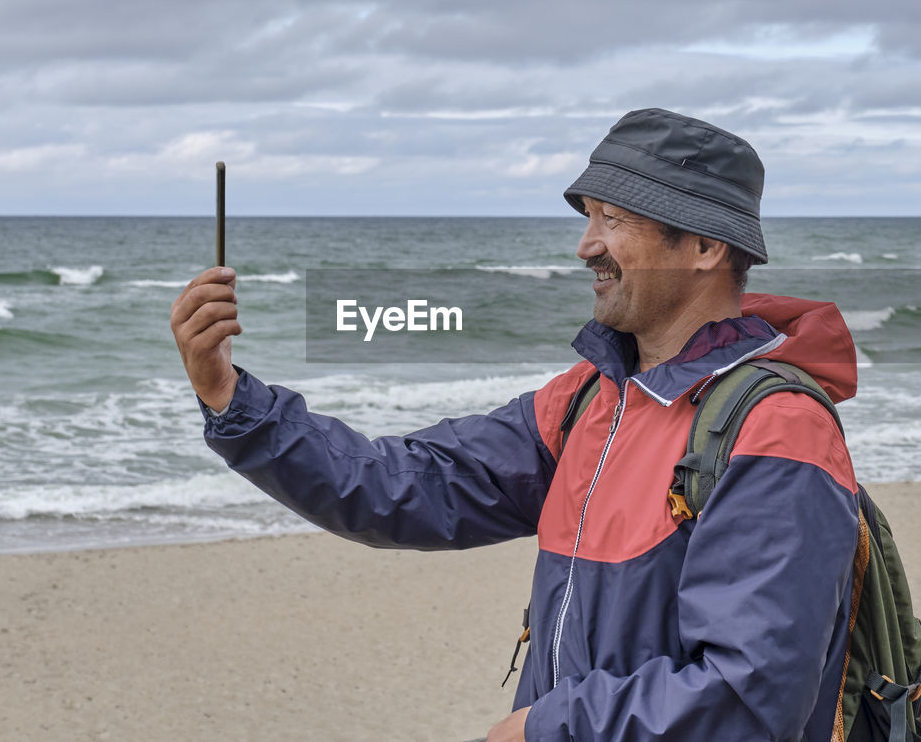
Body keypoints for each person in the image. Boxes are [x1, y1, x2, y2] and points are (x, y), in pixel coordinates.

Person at [170, 108, 861, 741]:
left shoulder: (776, 429)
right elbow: (405, 484)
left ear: (705, 246)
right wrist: (233, 398)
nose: (586, 245)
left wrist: (544, 729)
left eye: (613, 219)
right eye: (589, 216)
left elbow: (750, 698)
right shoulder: (591, 401)